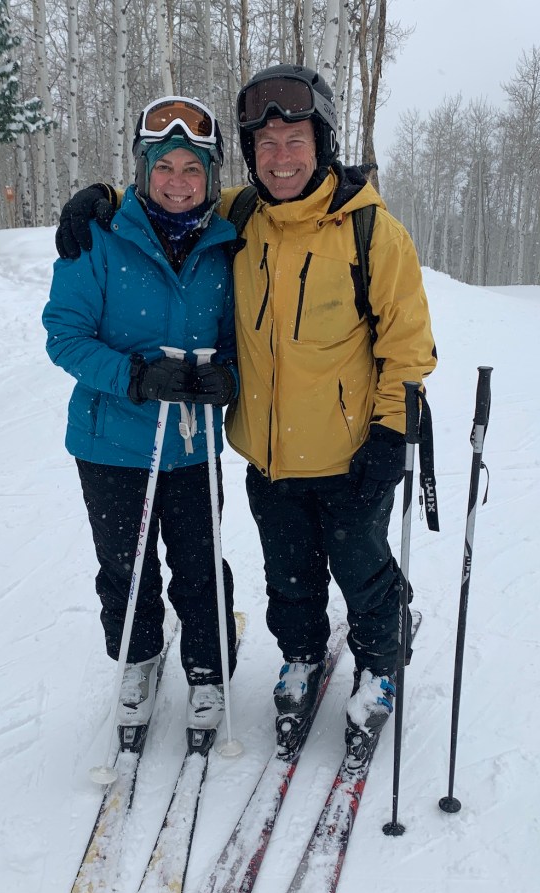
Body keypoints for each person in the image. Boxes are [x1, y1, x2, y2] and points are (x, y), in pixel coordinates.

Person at [54, 66, 437, 748]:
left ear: (321, 144)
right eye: (265, 145)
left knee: (361, 569)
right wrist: (99, 198)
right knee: (288, 577)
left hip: (348, 448)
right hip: (267, 451)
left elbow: (407, 347)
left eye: (295, 141)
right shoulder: (240, 217)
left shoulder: (371, 232)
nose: (280, 158)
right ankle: (301, 656)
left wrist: (390, 432)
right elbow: (167, 194)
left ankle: (379, 666)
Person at [43, 96, 239, 736]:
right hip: (110, 443)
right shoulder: (97, 236)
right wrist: (134, 376)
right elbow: (64, 335)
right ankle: (138, 658)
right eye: (164, 167)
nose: (178, 182)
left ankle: (208, 669)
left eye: (193, 168)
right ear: (142, 170)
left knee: (201, 564)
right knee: (127, 567)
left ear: (211, 175)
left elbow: (241, 340)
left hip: (192, 443)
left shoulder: (228, 242)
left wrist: (228, 376)